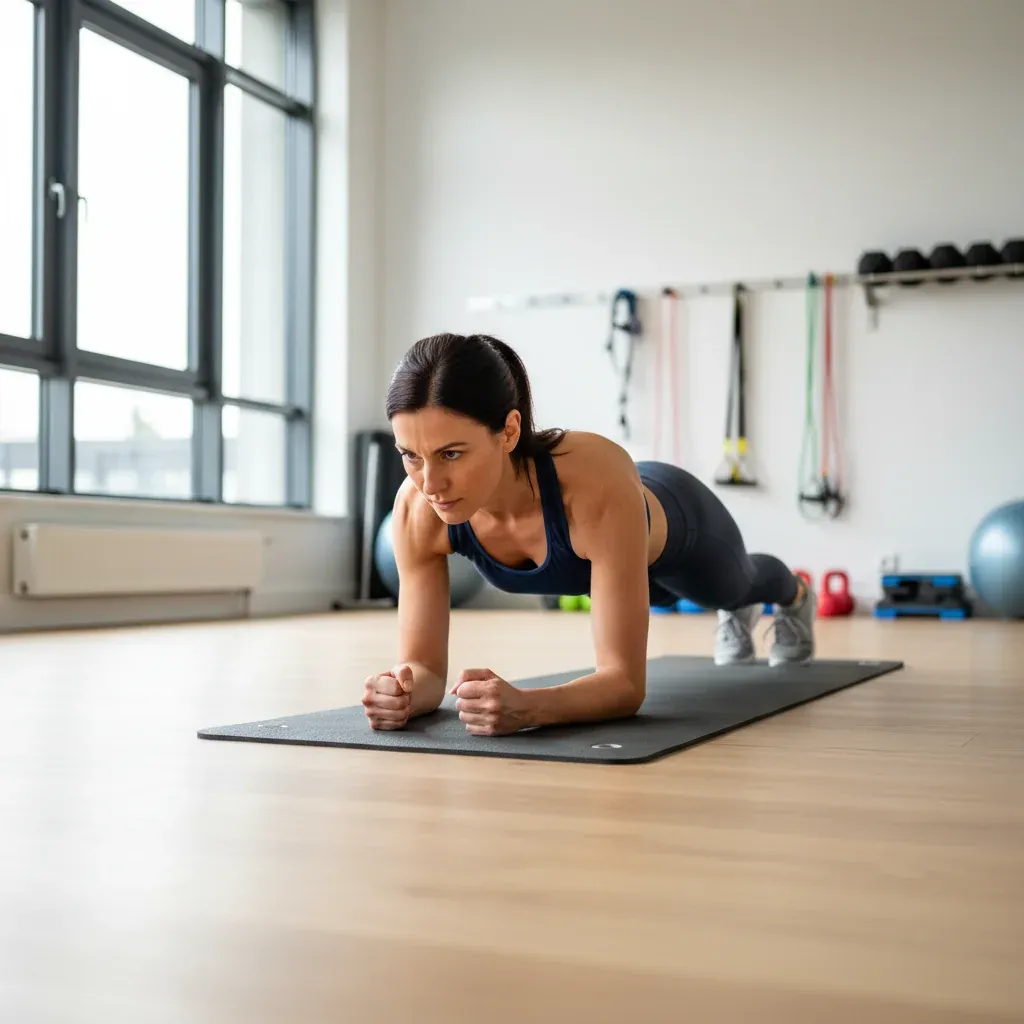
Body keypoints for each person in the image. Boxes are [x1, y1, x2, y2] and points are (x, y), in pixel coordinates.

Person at [362, 332, 816, 737]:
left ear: (510, 430)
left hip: (680, 533)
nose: (430, 483)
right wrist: (401, 692)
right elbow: (423, 669)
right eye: (411, 455)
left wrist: (528, 707)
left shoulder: (591, 481)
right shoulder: (416, 509)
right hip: (609, 555)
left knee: (735, 586)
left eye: (452, 454)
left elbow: (624, 685)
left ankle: (794, 594)